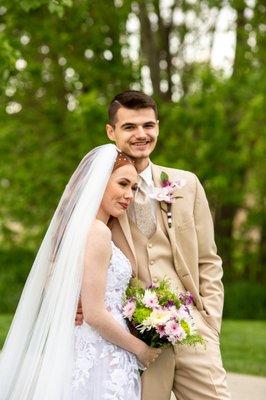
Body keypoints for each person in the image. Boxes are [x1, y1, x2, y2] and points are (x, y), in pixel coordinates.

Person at [77, 90, 231, 399]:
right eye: (130, 127)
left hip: (193, 331)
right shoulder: (98, 195)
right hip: (137, 337)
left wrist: (210, 322)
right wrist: (74, 299)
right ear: (111, 132)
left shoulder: (187, 184)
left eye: (148, 125)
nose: (141, 134)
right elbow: (68, 250)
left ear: (157, 127)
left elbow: (208, 260)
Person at [0, 144, 160, 400]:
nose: (128, 195)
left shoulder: (81, 230)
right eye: (122, 184)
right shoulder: (98, 232)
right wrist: (142, 350)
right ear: (98, 183)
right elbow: (95, 315)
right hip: (102, 352)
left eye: (133, 187)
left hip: (93, 346)